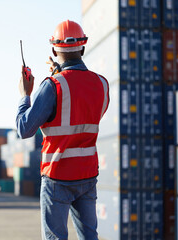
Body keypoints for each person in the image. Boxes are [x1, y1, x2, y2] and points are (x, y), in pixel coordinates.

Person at [16, 20, 110, 240]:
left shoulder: (52, 86)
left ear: (53, 49)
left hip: (57, 176)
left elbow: (24, 128)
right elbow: (82, 111)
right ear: (83, 48)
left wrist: (25, 95)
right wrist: (60, 75)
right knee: (89, 236)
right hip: (87, 174)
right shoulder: (102, 85)